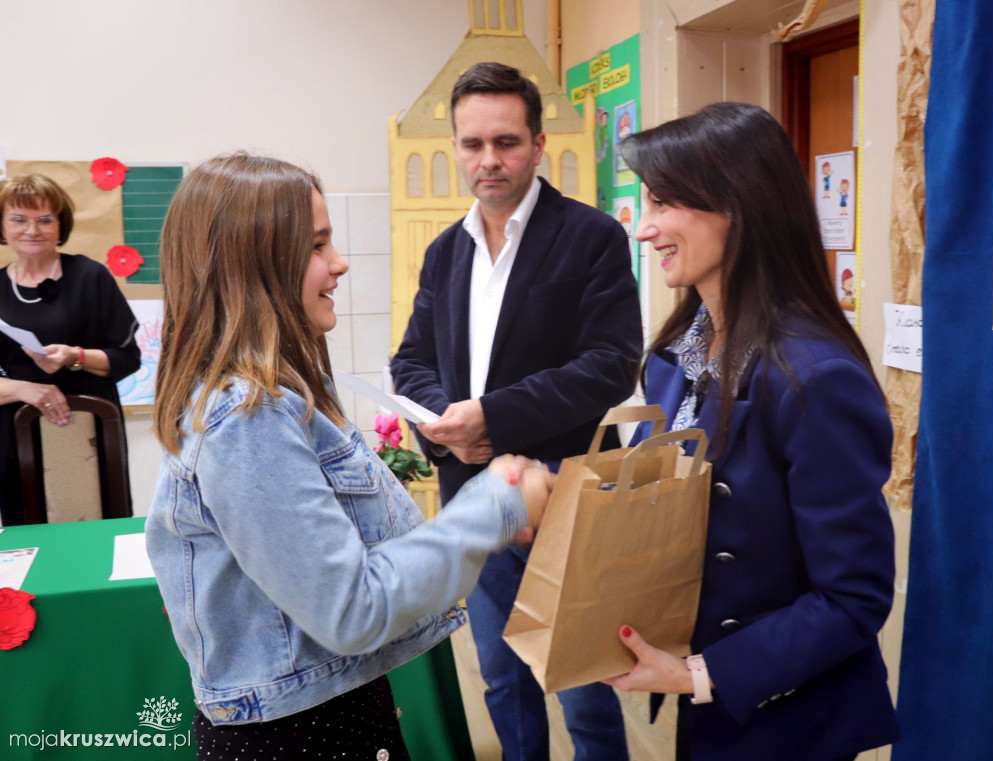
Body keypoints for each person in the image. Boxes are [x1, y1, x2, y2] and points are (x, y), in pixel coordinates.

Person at [145, 152, 552, 761]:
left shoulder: (275, 397)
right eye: (315, 246)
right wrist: (493, 506)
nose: (338, 265)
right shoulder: (248, 418)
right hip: (301, 736)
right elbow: (352, 608)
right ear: (254, 264)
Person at [605, 103, 900, 761]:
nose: (645, 228)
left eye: (662, 203)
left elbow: (853, 596)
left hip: (785, 718)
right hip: (706, 710)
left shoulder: (816, 378)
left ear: (735, 205)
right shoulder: (675, 357)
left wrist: (698, 674)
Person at [391, 62, 641, 760]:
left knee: (584, 684)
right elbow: (410, 361)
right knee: (503, 678)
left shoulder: (591, 237)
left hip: (565, 495)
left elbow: (611, 365)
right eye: (472, 144)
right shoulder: (445, 253)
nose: (488, 159)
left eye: (505, 141)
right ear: (455, 149)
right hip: (474, 494)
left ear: (537, 144)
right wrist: (449, 425)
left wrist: (492, 417)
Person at [0, 174, 140, 525]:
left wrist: (75, 356)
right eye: (19, 219)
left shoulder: (90, 276)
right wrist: (25, 388)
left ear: (61, 225)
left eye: (45, 219)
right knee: (27, 537)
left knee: (100, 529)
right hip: (16, 434)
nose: (32, 229)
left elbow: (127, 357)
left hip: (91, 429)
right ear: (2, 227)